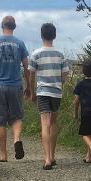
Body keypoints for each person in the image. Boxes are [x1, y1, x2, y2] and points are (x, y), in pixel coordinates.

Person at [0, 15, 30, 162]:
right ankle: (16, 140)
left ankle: (3, 154)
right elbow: (27, 67)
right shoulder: (20, 43)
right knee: (17, 117)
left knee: (0, 121)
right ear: (14, 27)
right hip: (15, 86)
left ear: (2, 26)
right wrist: (29, 86)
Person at [27, 22, 69, 170]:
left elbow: (31, 77)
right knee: (53, 123)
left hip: (42, 92)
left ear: (41, 35)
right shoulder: (61, 54)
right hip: (56, 93)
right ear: (55, 36)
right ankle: (52, 155)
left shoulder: (36, 54)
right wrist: (59, 84)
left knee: (44, 124)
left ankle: (46, 160)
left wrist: (32, 93)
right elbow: (64, 76)